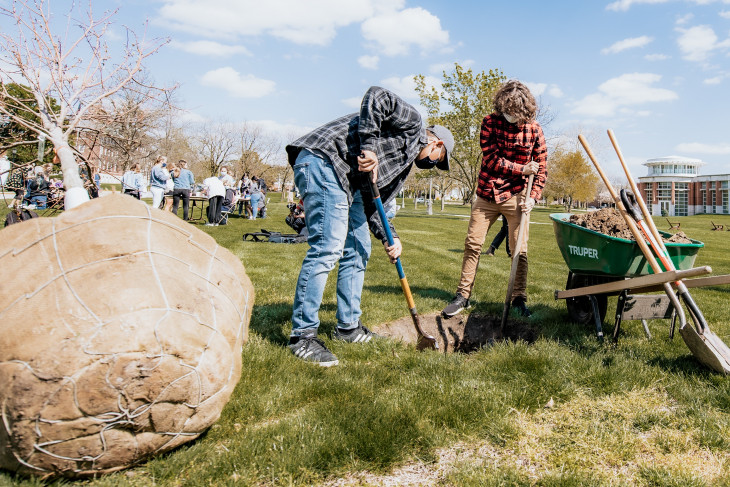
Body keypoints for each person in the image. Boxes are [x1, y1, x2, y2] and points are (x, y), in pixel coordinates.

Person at [285, 85, 453, 366]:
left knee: (360, 247)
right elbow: (377, 96)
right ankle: (302, 337)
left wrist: (391, 237)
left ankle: (348, 328)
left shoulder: (401, 167)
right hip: (325, 160)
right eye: (439, 161)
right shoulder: (413, 124)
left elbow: (372, 203)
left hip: (346, 182)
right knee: (328, 247)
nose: (434, 166)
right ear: (436, 144)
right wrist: (369, 148)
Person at [442, 80, 547, 319]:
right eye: (507, 111)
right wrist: (522, 169)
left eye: (515, 113)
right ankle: (462, 296)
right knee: (473, 244)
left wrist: (533, 197)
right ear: (501, 106)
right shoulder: (489, 122)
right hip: (487, 193)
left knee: (519, 250)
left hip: (517, 197)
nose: (511, 116)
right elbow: (491, 159)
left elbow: (541, 168)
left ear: (524, 110)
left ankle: (518, 298)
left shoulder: (534, 129)